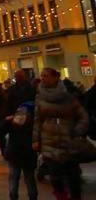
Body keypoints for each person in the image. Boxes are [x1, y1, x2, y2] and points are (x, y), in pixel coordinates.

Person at [34, 66, 88, 200]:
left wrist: (77, 130)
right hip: (49, 141)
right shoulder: (40, 98)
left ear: (56, 77)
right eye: (42, 76)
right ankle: (61, 197)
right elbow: (37, 120)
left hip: (68, 141)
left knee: (73, 176)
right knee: (55, 177)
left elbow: (83, 116)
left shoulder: (68, 96)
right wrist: (35, 140)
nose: (43, 78)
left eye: (46, 75)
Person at [0, 101, 38, 200]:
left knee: (14, 177)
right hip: (29, 154)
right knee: (29, 178)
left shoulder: (13, 121)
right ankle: (33, 197)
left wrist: (3, 149)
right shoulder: (34, 123)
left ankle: (13, 196)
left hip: (14, 153)